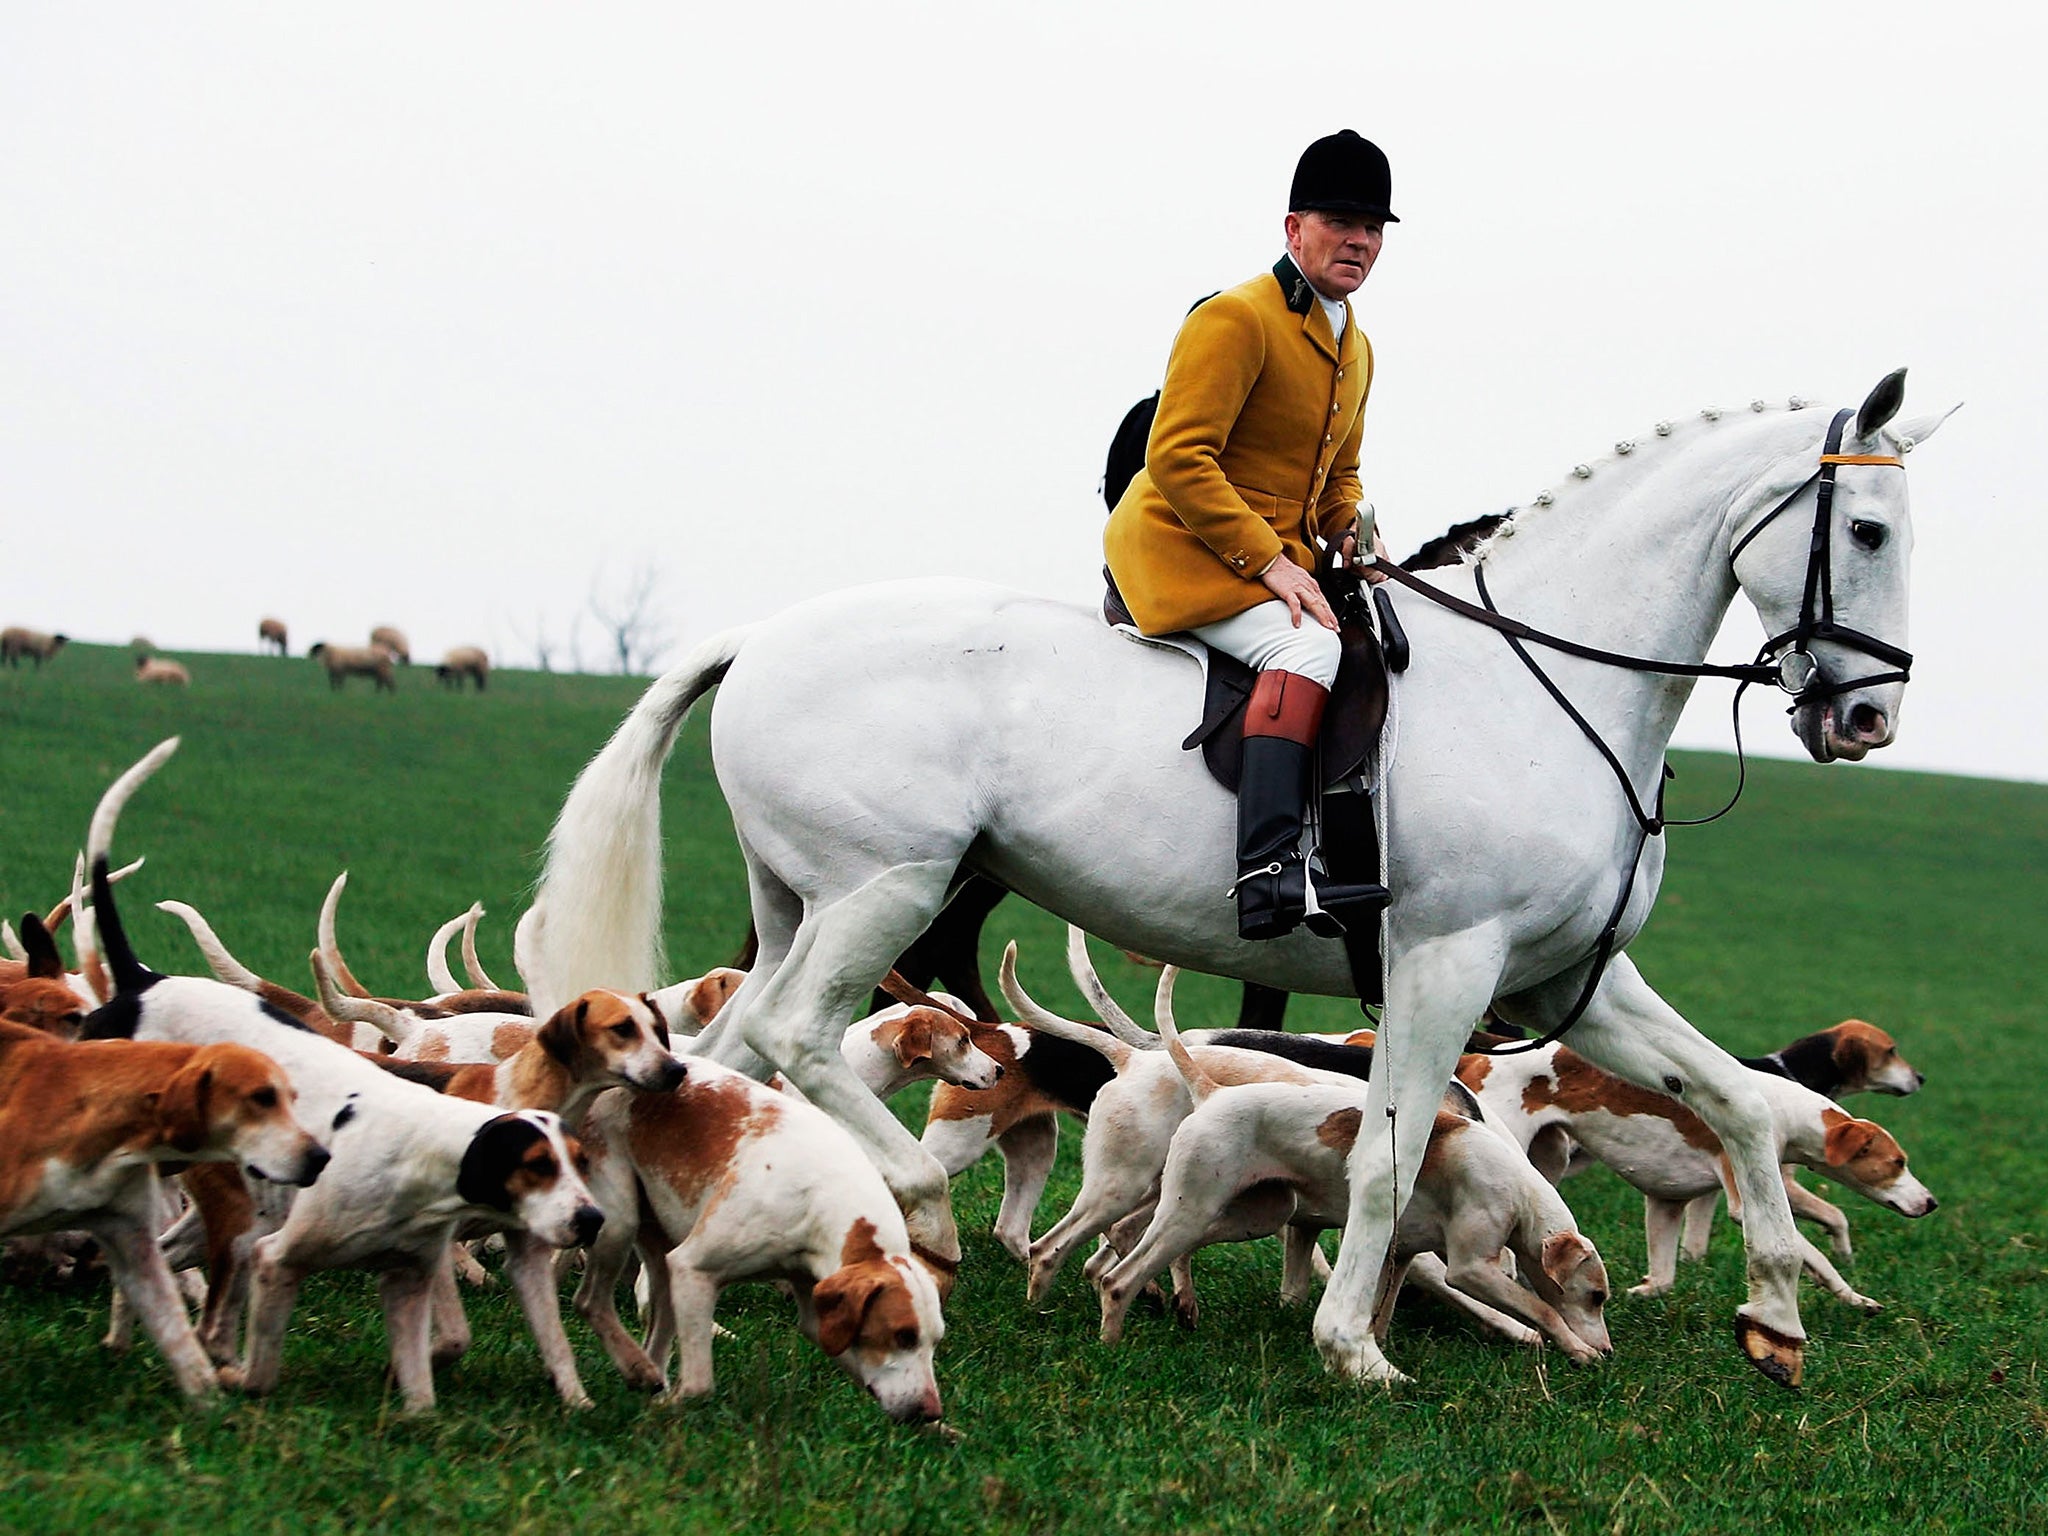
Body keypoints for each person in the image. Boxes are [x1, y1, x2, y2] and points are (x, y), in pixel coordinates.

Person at [1104, 129, 1396, 942]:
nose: (1360, 241)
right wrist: (1269, 563)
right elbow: (1177, 456)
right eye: (1342, 221)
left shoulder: (1354, 342)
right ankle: (1268, 872)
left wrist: (1355, 537)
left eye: (1373, 229)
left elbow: (1339, 477)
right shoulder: (1235, 317)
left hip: (1273, 552)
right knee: (1308, 648)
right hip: (1178, 543)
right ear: (1294, 227)